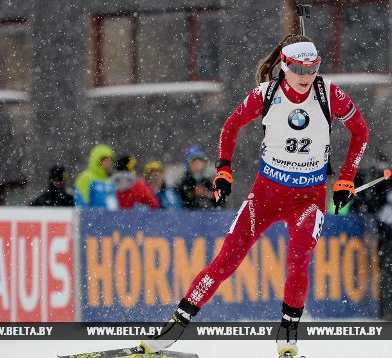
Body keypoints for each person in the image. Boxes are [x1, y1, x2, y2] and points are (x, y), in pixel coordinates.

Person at [139, 34, 369, 357]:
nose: (306, 77)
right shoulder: (266, 94)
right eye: (299, 69)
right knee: (225, 262)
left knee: (298, 261)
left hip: (308, 199)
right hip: (265, 196)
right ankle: (172, 329)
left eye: (313, 68)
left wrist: (346, 179)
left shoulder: (329, 93)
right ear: (285, 66)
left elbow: (361, 131)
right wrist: (223, 170)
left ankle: (287, 340)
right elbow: (230, 127)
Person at [356, 163, 392, 321]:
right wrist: (386, 182)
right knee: (388, 276)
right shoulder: (382, 188)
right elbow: (373, 204)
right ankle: (386, 312)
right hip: (388, 236)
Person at [74, 144, 119, 209]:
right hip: (93, 217)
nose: (109, 163)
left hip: (111, 218)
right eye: (106, 160)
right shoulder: (85, 178)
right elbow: (81, 203)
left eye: (110, 160)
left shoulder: (110, 180)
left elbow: (115, 204)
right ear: (97, 160)